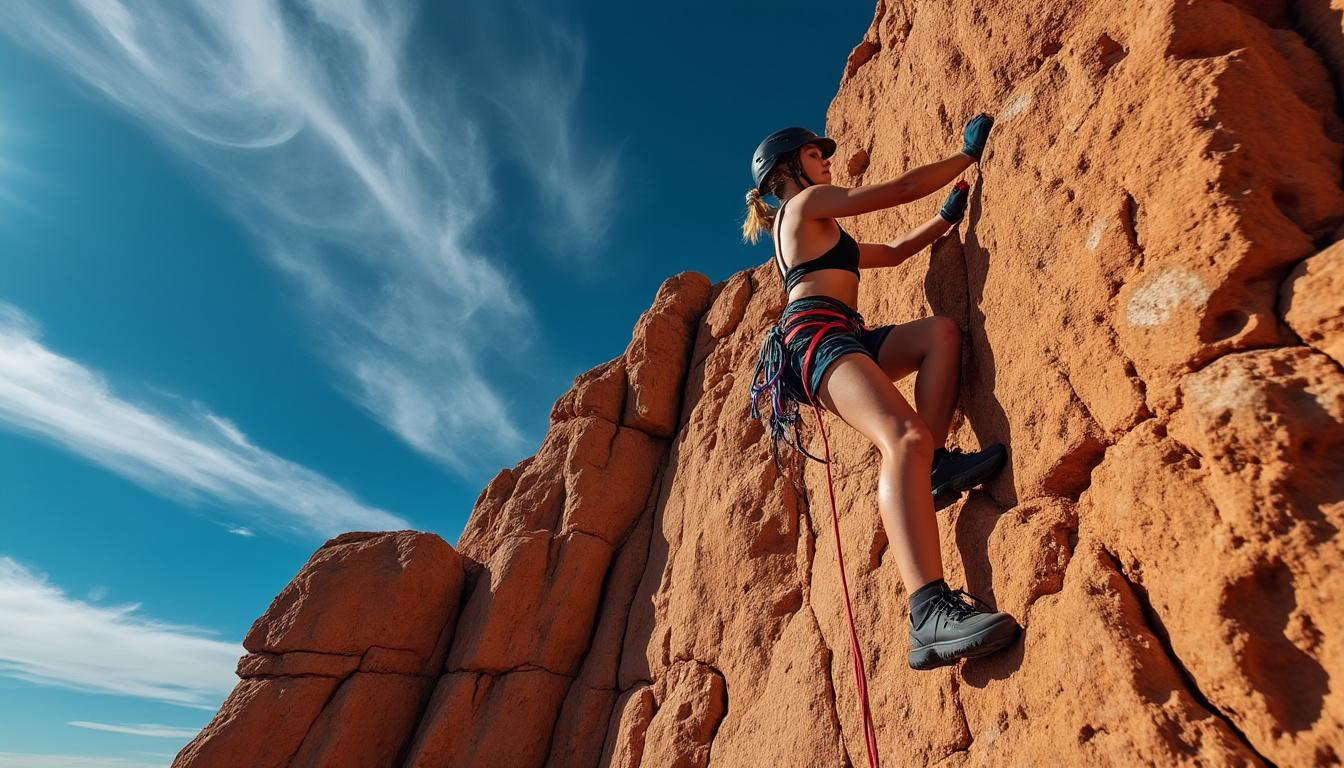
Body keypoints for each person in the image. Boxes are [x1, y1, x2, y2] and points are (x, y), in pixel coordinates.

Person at [744, 116, 1019, 670]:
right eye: (815, 156)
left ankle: (934, 468)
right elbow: (896, 191)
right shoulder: (804, 207)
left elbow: (891, 251)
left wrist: (942, 222)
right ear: (789, 170)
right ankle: (927, 613)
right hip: (814, 337)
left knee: (940, 335)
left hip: (841, 333)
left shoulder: (820, 232)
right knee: (902, 436)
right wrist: (965, 158)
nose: (826, 160)